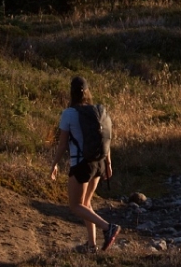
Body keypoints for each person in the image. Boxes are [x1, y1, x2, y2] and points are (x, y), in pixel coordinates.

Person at [50, 75, 121, 252]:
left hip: (81, 165)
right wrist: (109, 164)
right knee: (86, 204)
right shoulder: (97, 112)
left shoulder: (68, 114)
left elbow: (63, 144)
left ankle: (108, 227)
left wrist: (54, 164)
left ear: (71, 93)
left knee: (75, 206)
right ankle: (91, 245)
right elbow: (106, 139)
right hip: (99, 163)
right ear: (87, 92)